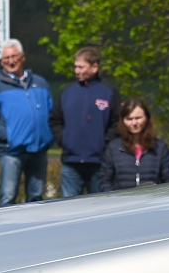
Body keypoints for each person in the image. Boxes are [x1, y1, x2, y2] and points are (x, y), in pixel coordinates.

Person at [0, 39, 54, 206]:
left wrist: (47, 135)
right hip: (11, 151)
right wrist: (8, 136)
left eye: (14, 56)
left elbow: (51, 112)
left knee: (36, 198)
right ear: (1, 62)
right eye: (6, 58)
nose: (10, 61)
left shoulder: (40, 83)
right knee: (8, 197)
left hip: (38, 149)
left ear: (22, 57)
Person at [50, 46, 119, 197]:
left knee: (99, 205)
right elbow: (55, 120)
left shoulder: (108, 92)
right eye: (75, 67)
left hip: (99, 162)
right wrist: (65, 140)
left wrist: (104, 143)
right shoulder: (67, 91)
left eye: (81, 67)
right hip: (71, 162)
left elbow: (116, 123)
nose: (77, 71)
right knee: (70, 206)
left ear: (95, 67)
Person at [99, 98, 169, 190]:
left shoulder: (160, 148)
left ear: (147, 118)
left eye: (138, 118)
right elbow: (105, 181)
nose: (134, 123)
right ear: (122, 120)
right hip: (123, 198)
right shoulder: (113, 148)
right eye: (129, 119)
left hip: (152, 197)